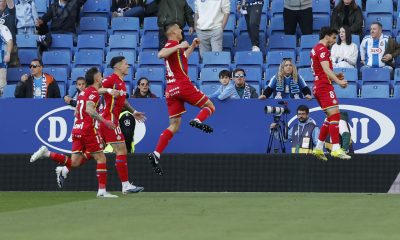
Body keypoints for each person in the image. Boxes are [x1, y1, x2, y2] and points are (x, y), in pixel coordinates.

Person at [30, 67, 119, 198]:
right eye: (100, 75)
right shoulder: (93, 93)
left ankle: (48, 153)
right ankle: (102, 191)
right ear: (96, 78)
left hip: (77, 129)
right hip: (88, 129)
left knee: (75, 162)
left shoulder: (84, 92)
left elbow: (89, 99)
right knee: (101, 157)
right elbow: (89, 109)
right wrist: (105, 122)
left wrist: (108, 90)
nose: (102, 77)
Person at [148, 23, 216, 176]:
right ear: (172, 31)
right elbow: (160, 54)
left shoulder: (175, 48)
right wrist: (180, 46)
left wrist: (191, 46)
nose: (181, 31)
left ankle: (156, 154)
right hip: (182, 85)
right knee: (210, 106)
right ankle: (198, 121)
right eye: (179, 29)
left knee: (174, 125)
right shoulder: (172, 44)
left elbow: (182, 58)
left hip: (171, 90)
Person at [98, 56, 146, 193]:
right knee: (121, 150)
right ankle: (125, 185)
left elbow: (122, 101)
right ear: (118, 66)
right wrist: (108, 90)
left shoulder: (122, 82)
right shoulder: (110, 79)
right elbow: (95, 90)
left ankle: (64, 167)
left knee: (93, 152)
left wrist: (134, 111)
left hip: (110, 120)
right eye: (125, 64)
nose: (128, 66)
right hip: (109, 120)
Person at [310, 26, 351, 160]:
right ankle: (335, 148)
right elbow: (326, 70)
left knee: (329, 117)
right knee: (336, 116)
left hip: (318, 86)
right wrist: (338, 82)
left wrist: (335, 76)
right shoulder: (323, 50)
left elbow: (322, 71)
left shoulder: (315, 48)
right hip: (323, 87)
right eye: (334, 37)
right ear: (326, 35)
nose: (334, 41)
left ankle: (318, 148)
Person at [0, 23, 12, 97]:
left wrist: (8, 54)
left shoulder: (3, 28)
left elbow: (9, 41)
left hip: (0, 62)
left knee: (1, 86)